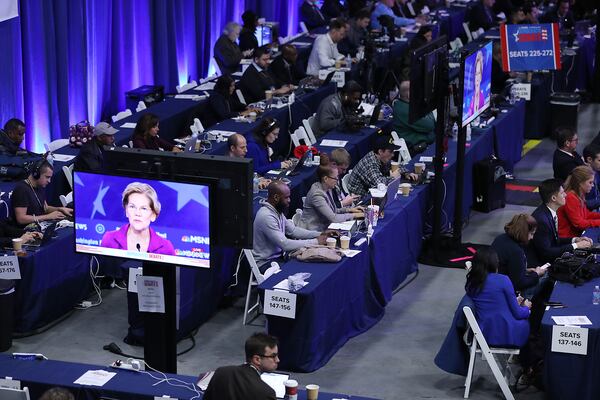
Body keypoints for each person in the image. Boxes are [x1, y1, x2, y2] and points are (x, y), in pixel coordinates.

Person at [252, 181, 331, 268]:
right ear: (276, 197)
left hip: (278, 258)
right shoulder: (266, 216)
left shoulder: (276, 210)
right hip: (265, 263)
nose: (289, 200)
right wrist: (316, 242)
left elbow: (293, 231)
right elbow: (285, 245)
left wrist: (320, 234)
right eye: (286, 197)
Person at [465, 248, 531, 348]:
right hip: (506, 334)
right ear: (495, 264)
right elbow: (518, 314)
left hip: (483, 333)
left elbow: (490, 303)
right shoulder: (503, 280)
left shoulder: (471, 283)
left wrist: (511, 303)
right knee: (528, 321)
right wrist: (527, 308)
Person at [101, 182, 176, 255]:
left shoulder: (166, 248)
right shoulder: (109, 240)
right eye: (132, 207)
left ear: (153, 215)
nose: (137, 213)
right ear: (126, 211)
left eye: (143, 208)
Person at [530, 178, 592, 266]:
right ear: (554, 198)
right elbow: (547, 253)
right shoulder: (541, 220)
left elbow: (554, 240)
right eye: (562, 193)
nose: (566, 195)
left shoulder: (549, 211)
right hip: (541, 265)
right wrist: (576, 246)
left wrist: (575, 240)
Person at [203, 332, 280, 400]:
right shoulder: (266, 393)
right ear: (257, 359)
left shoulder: (221, 372)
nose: (277, 360)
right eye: (273, 356)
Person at [298, 154, 364, 231]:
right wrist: (356, 215)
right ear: (325, 178)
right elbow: (333, 218)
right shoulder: (317, 194)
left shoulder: (327, 188)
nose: (337, 180)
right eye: (335, 178)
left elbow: (333, 210)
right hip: (311, 232)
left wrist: (350, 210)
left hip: (323, 229)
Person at [491, 214, 546, 297]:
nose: (532, 238)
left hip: (493, 283)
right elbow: (519, 284)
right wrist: (536, 274)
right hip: (504, 292)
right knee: (545, 278)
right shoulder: (516, 251)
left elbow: (505, 266)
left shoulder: (500, 238)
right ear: (524, 232)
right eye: (531, 234)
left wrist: (525, 270)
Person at [346, 135, 416, 197]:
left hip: (374, 194)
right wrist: (393, 177)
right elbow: (381, 185)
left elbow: (393, 164)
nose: (393, 155)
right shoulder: (370, 164)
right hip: (362, 200)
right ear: (380, 152)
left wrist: (406, 173)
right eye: (390, 151)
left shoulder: (381, 157)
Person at [11, 160, 73, 227]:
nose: (49, 181)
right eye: (47, 177)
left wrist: (60, 209)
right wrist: (48, 216)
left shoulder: (39, 186)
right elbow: (21, 219)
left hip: (41, 223)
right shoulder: (21, 189)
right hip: (28, 231)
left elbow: (45, 208)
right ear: (36, 174)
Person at [392, 81, 435, 152]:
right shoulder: (406, 110)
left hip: (425, 144)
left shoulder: (408, 105)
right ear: (409, 94)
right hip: (416, 150)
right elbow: (430, 125)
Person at [557, 165, 600, 237]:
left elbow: (586, 214)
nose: (592, 185)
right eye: (590, 182)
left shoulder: (579, 194)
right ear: (580, 183)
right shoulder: (570, 197)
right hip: (568, 238)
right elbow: (579, 224)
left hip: (577, 234)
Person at [467, 50, 486, 116]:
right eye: (475, 74)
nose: (477, 78)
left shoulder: (482, 97)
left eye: (479, 73)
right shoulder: (470, 100)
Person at [583, 143, 600, 210]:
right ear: (589, 159)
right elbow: (585, 204)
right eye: (599, 160)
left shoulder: (597, 171)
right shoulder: (583, 177)